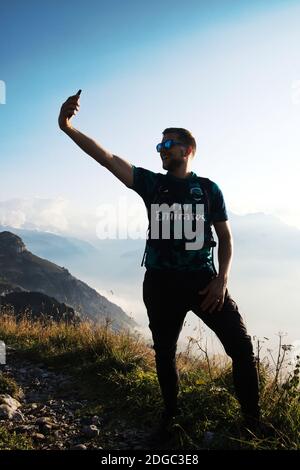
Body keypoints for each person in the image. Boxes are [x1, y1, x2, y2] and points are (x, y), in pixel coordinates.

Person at [58, 91, 260, 437]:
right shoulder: (153, 184)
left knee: (241, 347)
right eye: (159, 145)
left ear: (188, 150)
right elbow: (107, 158)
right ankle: (170, 415)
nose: (162, 149)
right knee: (164, 353)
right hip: (160, 284)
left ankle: (253, 422)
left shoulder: (209, 189)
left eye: (168, 143)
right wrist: (66, 126)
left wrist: (222, 280)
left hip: (204, 282)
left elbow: (226, 238)